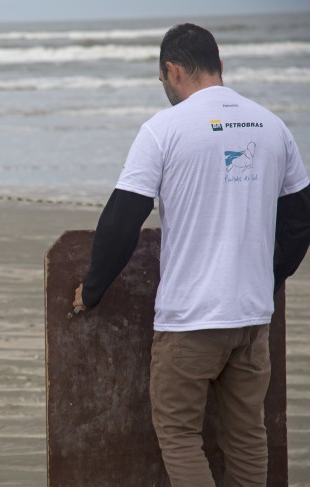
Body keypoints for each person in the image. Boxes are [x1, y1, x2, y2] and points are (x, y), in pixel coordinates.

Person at [71, 23, 310, 486]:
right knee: (247, 438)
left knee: (179, 435)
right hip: (251, 318)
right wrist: (271, 277)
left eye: (164, 81)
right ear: (220, 66)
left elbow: (122, 220)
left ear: (172, 70)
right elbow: (300, 219)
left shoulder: (164, 130)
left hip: (190, 321)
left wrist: (92, 291)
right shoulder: (272, 125)